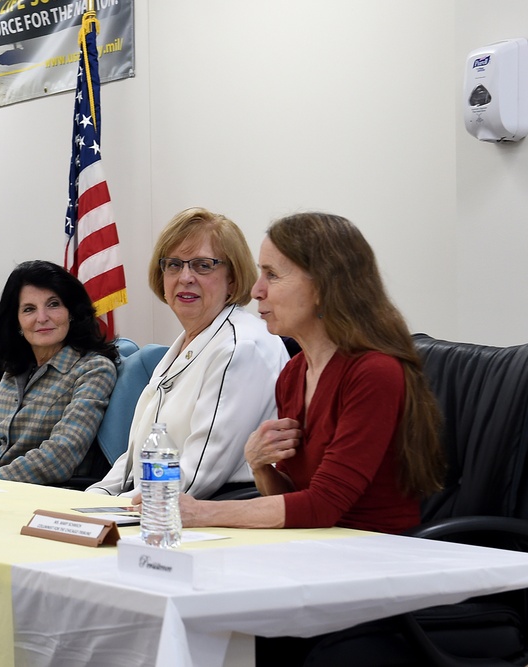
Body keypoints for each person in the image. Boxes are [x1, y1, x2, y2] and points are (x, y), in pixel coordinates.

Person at [160, 212, 445, 535]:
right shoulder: (295, 372)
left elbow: (322, 506)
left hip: (377, 557)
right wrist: (261, 466)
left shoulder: (374, 373)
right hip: (314, 547)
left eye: (272, 275)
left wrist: (200, 512)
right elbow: (295, 501)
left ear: (323, 286)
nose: (256, 291)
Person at [88, 208, 288, 499]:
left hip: (217, 509)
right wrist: (92, 498)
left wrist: (116, 509)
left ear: (232, 278)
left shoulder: (239, 347)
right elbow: (136, 459)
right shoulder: (186, 344)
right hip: (159, 503)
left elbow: (199, 473)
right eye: (173, 265)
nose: (185, 277)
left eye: (203, 265)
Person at [0, 260, 118, 484]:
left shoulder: (94, 369)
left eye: (53, 304)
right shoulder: (14, 371)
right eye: (29, 309)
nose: (42, 318)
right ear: (17, 322)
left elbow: (60, 456)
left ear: (71, 312)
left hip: (41, 499)